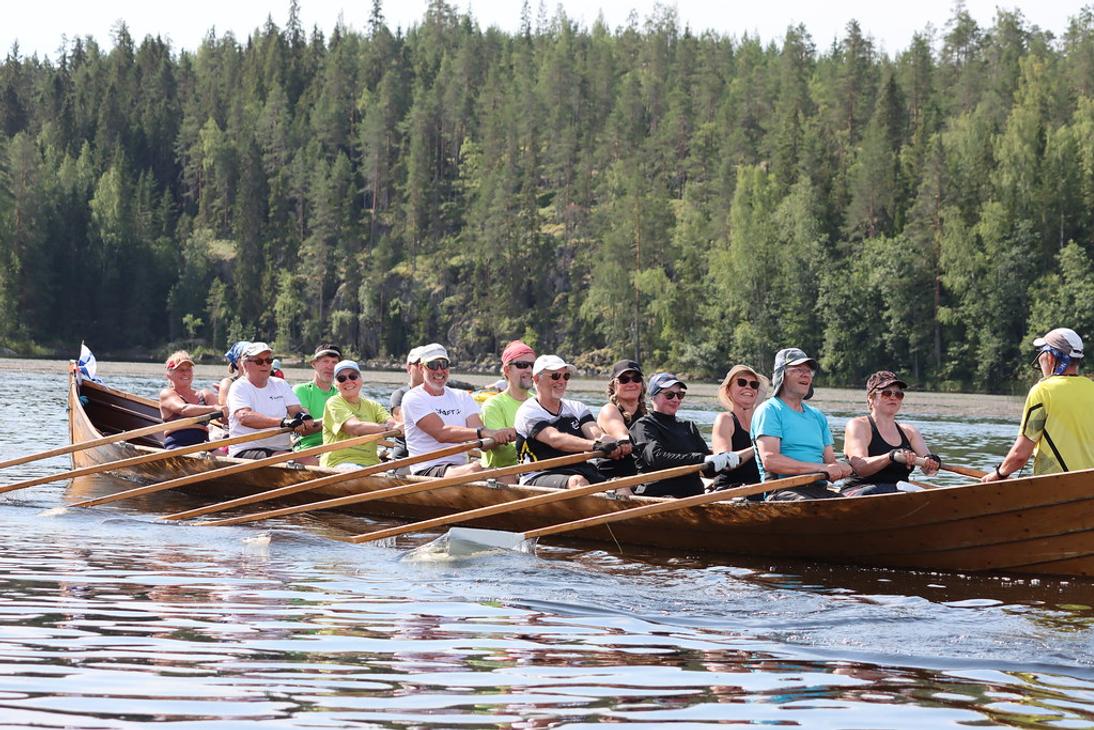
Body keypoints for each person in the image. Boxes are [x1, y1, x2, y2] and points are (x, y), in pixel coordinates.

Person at [982, 327, 1094, 481]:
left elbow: (1020, 455)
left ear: (1050, 357)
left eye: (1042, 353)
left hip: (1056, 486)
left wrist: (999, 474)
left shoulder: (1042, 391)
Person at [751, 348, 852, 500]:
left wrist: (843, 467)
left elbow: (829, 462)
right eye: (798, 369)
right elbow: (771, 461)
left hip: (818, 489)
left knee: (851, 508)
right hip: (781, 491)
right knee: (813, 508)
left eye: (808, 371)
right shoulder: (769, 410)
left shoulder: (818, 416)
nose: (805, 374)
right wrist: (822, 468)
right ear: (781, 375)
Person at [401, 343, 516, 476]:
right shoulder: (413, 397)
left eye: (444, 365)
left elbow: (483, 443)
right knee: (475, 469)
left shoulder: (462, 396)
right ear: (421, 368)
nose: (439, 371)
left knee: (508, 475)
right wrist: (485, 433)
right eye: (433, 365)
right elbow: (441, 434)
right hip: (427, 468)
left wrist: (504, 434)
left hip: (459, 468)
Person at [514, 355, 628, 489]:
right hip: (539, 475)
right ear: (536, 379)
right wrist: (596, 446)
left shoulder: (577, 407)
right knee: (577, 482)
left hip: (579, 470)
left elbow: (597, 435)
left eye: (566, 376)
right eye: (555, 376)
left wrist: (616, 444)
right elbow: (555, 439)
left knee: (621, 487)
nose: (562, 381)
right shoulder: (528, 411)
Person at [630, 372, 740, 498]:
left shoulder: (688, 426)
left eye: (680, 395)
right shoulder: (643, 426)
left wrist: (722, 461)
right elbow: (656, 458)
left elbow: (707, 470)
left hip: (693, 496)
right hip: (660, 494)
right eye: (669, 395)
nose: (676, 399)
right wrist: (701, 459)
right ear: (653, 397)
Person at [842, 370, 939, 496]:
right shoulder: (858, 425)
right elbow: (860, 467)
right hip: (861, 491)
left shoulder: (910, 432)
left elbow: (930, 472)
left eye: (898, 394)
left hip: (897, 492)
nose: (893, 397)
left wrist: (932, 463)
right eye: (886, 393)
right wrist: (891, 456)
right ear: (871, 398)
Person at [226, 342, 312, 459]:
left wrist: (303, 418)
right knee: (288, 460)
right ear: (244, 364)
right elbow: (245, 418)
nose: (265, 365)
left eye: (269, 361)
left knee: (311, 461)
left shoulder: (280, 384)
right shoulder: (239, 387)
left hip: (282, 449)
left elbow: (296, 411)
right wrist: (282, 422)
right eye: (259, 361)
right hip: (246, 449)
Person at [321, 360, 398, 471]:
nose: (348, 381)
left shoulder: (373, 405)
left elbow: (392, 423)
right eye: (341, 379)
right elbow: (354, 428)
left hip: (371, 464)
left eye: (353, 376)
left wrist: (396, 426)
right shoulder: (333, 402)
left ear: (361, 380)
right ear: (335, 384)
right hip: (339, 463)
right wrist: (387, 428)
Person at [480, 340, 537, 475]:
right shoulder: (493, 405)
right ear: (507, 370)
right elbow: (502, 454)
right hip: (504, 474)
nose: (529, 370)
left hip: (534, 469)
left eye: (533, 365)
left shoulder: (537, 401)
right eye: (522, 365)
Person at [710, 365, 765, 493]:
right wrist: (757, 447)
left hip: (759, 488)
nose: (748, 387)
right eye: (741, 382)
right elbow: (724, 463)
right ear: (728, 391)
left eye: (754, 385)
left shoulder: (763, 421)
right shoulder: (725, 419)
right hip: (730, 489)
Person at [158, 351, 221, 449]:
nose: (186, 373)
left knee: (229, 459)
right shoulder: (167, 394)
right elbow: (184, 410)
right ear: (169, 374)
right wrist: (214, 408)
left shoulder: (205, 395)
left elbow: (223, 418)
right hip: (178, 444)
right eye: (180, 370)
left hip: (204, 444)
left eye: (188, 369)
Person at [595, 359, 645, 479]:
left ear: (642, 384)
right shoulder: (609, 410)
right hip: (614, 477)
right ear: (614, 386)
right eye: (624, 380)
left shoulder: (648, 414)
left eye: (636, 379)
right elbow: (622, 436)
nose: (631, 383)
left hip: (640, 476)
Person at [292, 344, 342, 457]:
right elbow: (305, 429)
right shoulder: (301, 390)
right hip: (308, 448)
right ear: (314, 364)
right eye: (325, 361)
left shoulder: (343, 393)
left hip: (338, 448)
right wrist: (341, 419)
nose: (330, 367)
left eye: (334, 362)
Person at [389, 345, 426, 460]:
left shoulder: (439, 395)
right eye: (419, 365)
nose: (423, 369)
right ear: (409, 368)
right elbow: (406, 425)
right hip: (405, 458)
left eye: (426, 365)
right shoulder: (399, 395)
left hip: (433, 458)